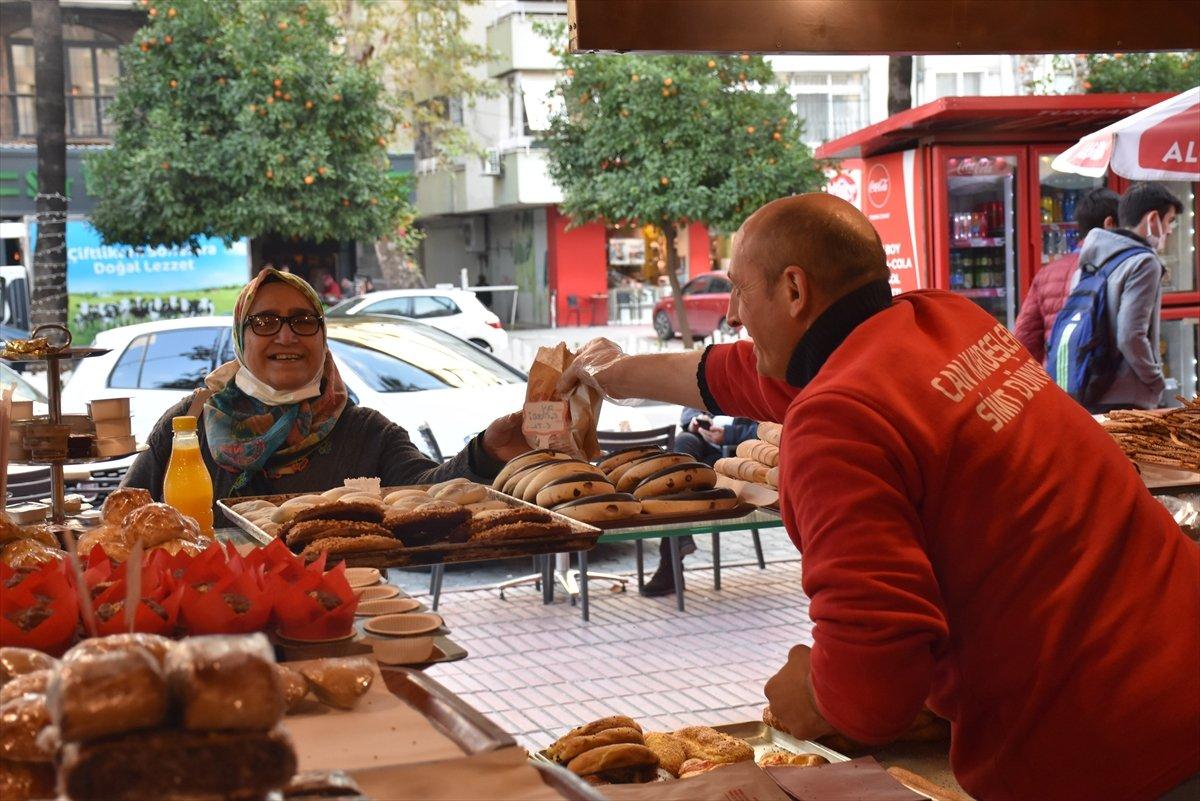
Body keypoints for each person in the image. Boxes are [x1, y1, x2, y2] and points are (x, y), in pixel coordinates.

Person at [558, 193, 1199, 801]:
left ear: (793, 289)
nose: (731, 312)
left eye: (738, 289)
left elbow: (876, 684)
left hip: (1115, 746)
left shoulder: (837, 421)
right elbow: (740, 375)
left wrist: (808, 694)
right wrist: (616, 376)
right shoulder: (945, 321)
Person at [123, 268, 528, 518]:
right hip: (215, 628)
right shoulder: (189, 424)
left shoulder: (366, 433)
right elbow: (127, 513)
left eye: (303, 320)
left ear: (322, 334)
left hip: (335, 621)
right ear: (240, 338)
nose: (286, 335)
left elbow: (427, 495)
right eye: (264, 321)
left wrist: (486, 453)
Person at [1070, 182, 1182, 413]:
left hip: (1088, 388)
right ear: (1152, 220)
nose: (1170, 230)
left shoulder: (1091, 261)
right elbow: (1130, 334)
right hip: (1127, 397)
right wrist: (1155, 380)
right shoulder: (1144, 262)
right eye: (1169, 221)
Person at [640, 408, 758, 597]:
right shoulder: (712, 379)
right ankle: (680, 537)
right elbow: (687, 407)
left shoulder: (757, 381)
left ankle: (670, 564)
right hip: (704, 449)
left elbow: (771, 428)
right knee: (684, 442)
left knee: (681, 484)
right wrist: (695, 421)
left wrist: (729, 434)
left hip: (737, 455)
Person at [1013, 188, 1119, 363]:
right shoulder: (1121, 268)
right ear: (1110, 224)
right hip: (1106, 382)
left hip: (1058, 379)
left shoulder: (1047, 273)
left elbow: (1025, 337)